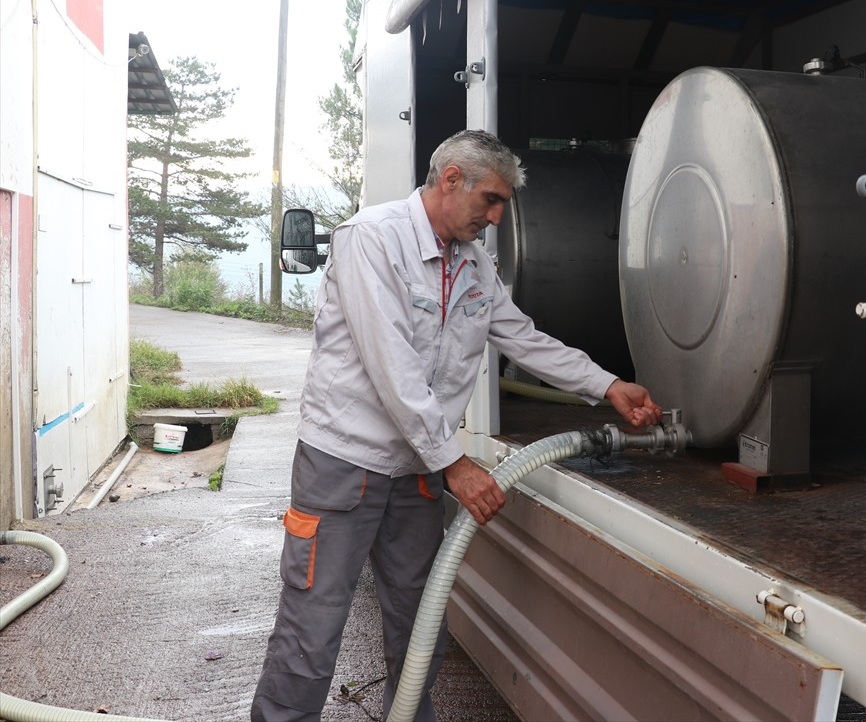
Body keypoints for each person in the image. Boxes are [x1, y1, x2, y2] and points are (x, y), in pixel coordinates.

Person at [251, 130, 662, 721]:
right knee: (311, 628)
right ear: (450, 180)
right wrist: (456, 464)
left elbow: (523, 338)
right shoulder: (372, 239)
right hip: (344, 465)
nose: (495, 218)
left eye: (502, 205)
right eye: (490, 200)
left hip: (417, 469)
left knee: (420, 625)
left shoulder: (472, 263)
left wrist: (608, 385)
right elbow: (392, 367)